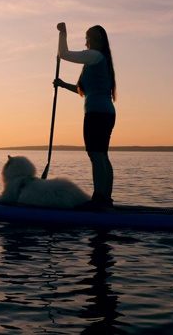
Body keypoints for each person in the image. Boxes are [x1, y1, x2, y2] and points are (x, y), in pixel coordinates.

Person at [54, 22, 117, 210]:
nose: (87, 39)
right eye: (87, 36)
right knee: (102, 155)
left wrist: (62, 33)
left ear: (97, 40)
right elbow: (85, 90)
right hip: (105, 113)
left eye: (90, 36)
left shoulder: (94, 56)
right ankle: (105, 199)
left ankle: (99, 199)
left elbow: (64, 54)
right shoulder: (99, 59)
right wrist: (63, 84)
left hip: (96, 114)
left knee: (96, 155)